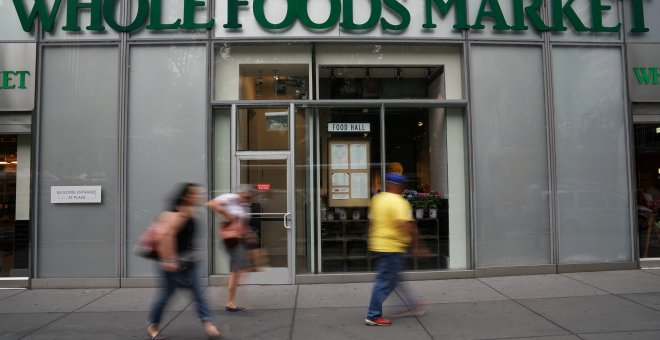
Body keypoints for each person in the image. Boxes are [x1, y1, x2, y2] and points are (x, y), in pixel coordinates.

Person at [147, 183, 221, 340]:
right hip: (172, 265)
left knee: (199, 294)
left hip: (188, 263)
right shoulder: (175, 214)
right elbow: (166, 237)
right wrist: (170, 261)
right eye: (196, 194)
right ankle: (152, 326)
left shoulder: (189, 212)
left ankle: (209, 326)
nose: (199, 196)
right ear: (186, 196)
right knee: (165, 296)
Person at [365, 173, 428, 326]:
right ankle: (373, 315)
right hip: (392, 247)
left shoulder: (377, 199)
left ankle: (412, 304)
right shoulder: (399, 202)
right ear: (399, 186)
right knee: (386, 281)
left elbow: (372, 221)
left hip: (379, 245)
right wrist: (417, 245)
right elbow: (406, 226)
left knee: (395, 277)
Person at [207, 185, 254, 312]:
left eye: (249, 198)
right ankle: (230, 302)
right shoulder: (230, 198)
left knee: (240, 270)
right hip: (231, 240)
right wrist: (227, 216)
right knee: (236, 270)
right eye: (245, 196)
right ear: (240, 193)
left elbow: (243, 224)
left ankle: (228, 295)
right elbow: (211, 204)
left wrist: (249, 235)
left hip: (239, 240)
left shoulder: (245, 206)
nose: (246, 199)